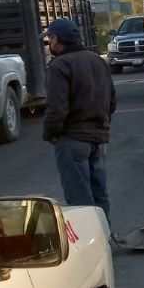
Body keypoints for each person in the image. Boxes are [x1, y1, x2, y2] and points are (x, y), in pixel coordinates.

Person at [41, 18, 116, 220]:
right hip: (99, 139)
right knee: (100, 194)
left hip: (72, 139)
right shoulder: (97, 61)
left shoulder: (59, 66)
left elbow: (56, 109)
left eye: (49, 39)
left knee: (80, 199)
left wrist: (50, 134)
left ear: (56, 39)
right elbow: (112, 101)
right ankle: (105, 238)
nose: (49, 43)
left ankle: (90, 245)